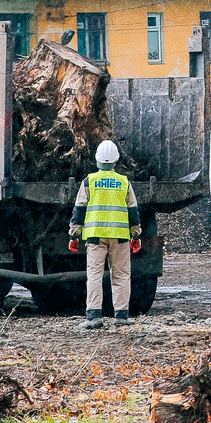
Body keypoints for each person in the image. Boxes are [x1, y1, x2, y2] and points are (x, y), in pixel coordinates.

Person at [68, 139, 141, 329]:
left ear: (97, 160)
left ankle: (93, 317)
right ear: (116, 160)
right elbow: (133, 211)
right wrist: (136, 235)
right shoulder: (124, 182)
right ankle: (121, 316)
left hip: (95, 236)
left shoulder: (89, 181)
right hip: (120, 236)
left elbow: (79, 210)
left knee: (94, 275)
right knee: (121, 275)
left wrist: (74, 236)